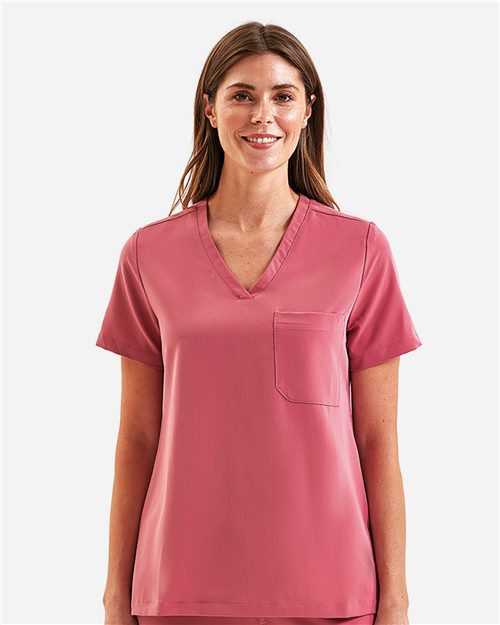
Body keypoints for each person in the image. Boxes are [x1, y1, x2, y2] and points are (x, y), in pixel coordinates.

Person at [96, 21, 422, 625]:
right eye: (242, 95)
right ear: (210, 109)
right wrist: (115, 598)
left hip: (331, 592)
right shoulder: (148, 255)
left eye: (283, 96)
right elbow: (136, 437)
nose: (262, 115)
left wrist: (396, 602)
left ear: (307, 110)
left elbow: (379, 442)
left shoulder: (361, 250)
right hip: (180, 590)